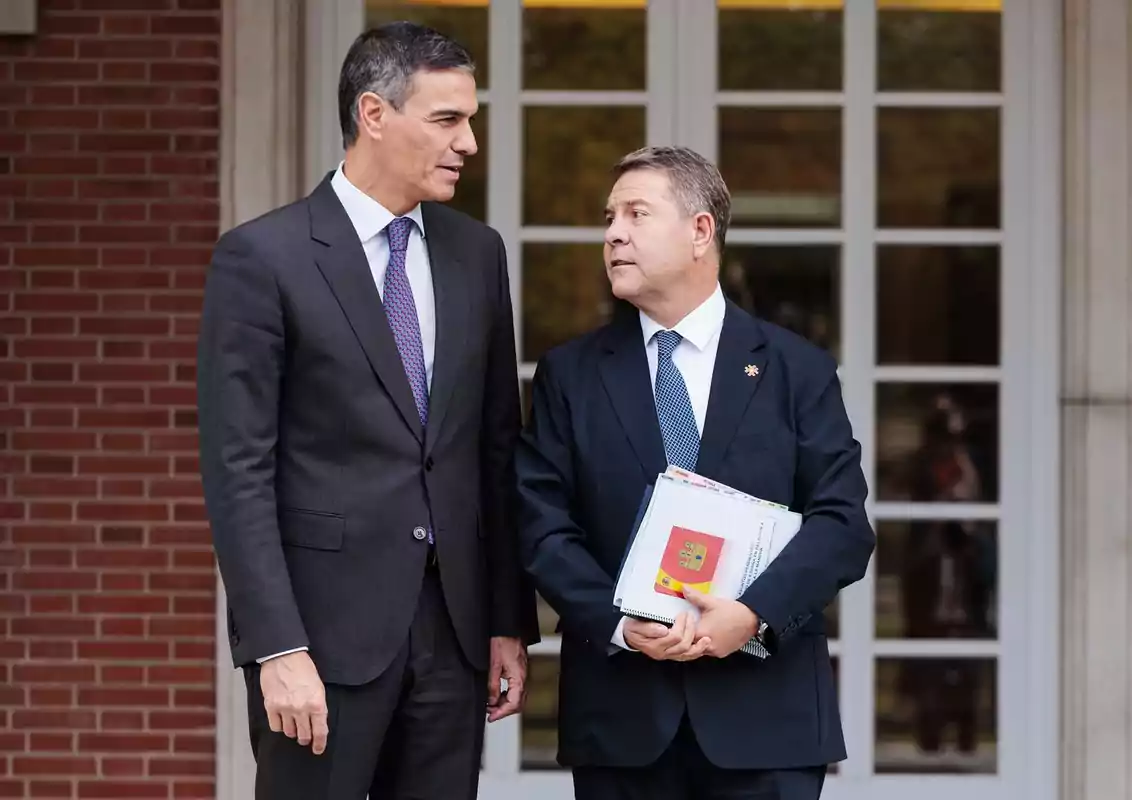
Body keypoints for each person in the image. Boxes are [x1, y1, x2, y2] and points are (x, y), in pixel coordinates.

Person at [197, 21, 537, 800]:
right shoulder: (263, 258)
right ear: (374, 114)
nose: (469, 143)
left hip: (452, 638)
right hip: (319, 641)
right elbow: (237, 470)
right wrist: (276, 646)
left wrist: (505, 622)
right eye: (448, 119)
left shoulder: (476, 254)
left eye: (470, 120)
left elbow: (494, 449)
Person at [514, 145, 875, 800]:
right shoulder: (570, 374)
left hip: (766, 724)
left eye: (636, 214)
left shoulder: (798, 371)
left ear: (700, 231)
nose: (613, 233)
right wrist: (619, 623)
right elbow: (542, 527)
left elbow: (843, 525)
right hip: (622, 724)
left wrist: (753, 613)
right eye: (608, 218)